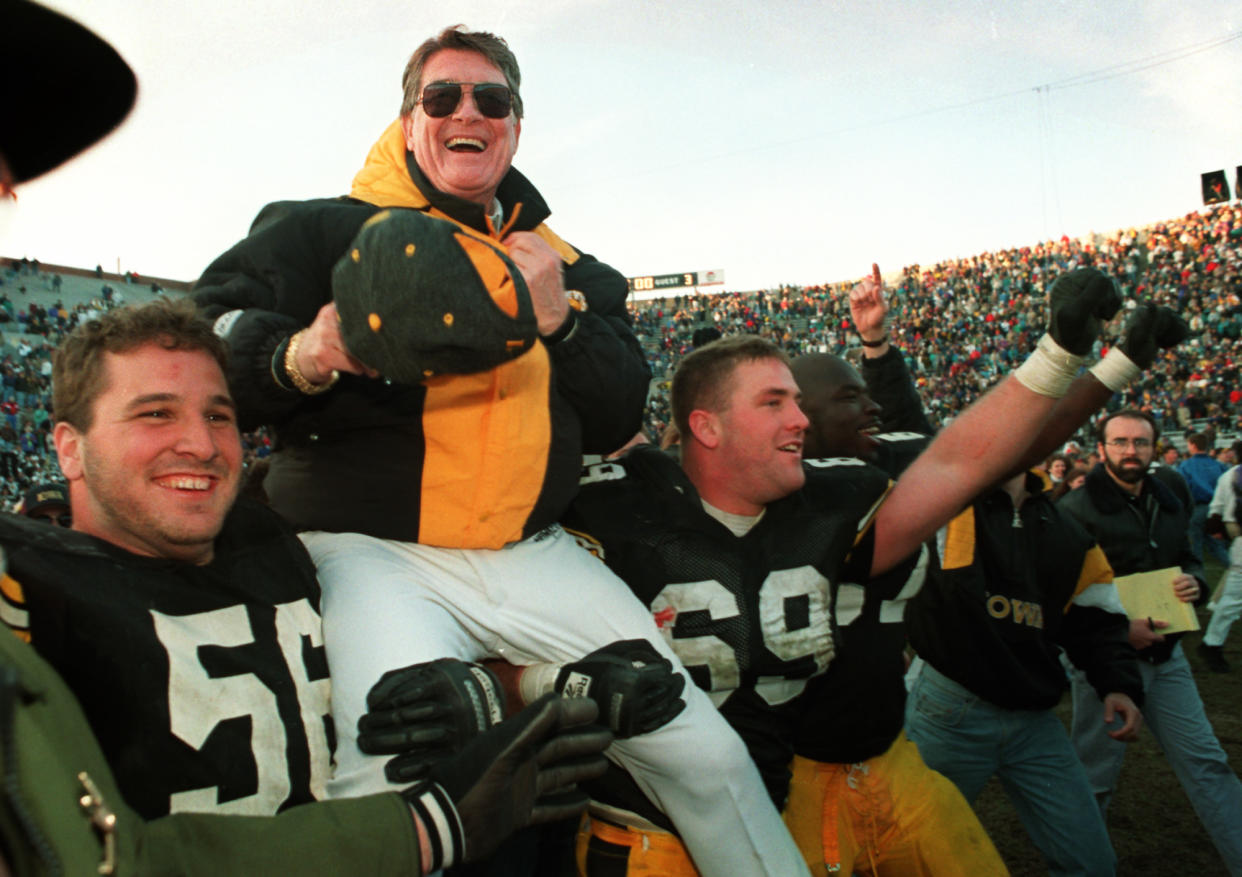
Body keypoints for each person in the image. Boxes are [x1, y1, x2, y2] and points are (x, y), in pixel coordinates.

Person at [0, 6, 611, 874]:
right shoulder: (39, 584)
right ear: (66, 445)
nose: (201, 443)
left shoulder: (284, 546)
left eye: (219, 414)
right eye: (152, 415)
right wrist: (430, 826)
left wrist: (514, 686)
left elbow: (383, 665)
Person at [193, 25, 801, 877]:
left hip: (531, 551)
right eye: (441, 97)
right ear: (408, 123)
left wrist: (563, 319)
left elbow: (621, 402)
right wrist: (304, 353)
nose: (466, 112)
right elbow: (200, 345)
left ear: (516, 126)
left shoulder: (567, 266)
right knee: (392, 773)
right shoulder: (320, 232)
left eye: (491, 99)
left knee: (702, 750)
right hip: (369, 552)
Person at [556, 262, 1135, 876]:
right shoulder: (610, 506)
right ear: (707, 427)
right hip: (653, 829)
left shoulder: (836, 498)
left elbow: (960, 464)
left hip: (779, 797)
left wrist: (1060, 352)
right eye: (773, 403)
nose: (800, 420)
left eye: (798, 403)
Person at [785, 266, 1179, 876]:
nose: (872, 406)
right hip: (838, 734)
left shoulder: (1043, 519)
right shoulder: (775, 488)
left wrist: (1112, 359)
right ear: (794, 418)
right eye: (850, 396)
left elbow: (985, 440)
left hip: (920, 727)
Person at [904, 467, 1142, 877]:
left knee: (1092, 862)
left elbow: (1096, 617)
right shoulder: (943, 502)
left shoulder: (1067, 530)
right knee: (909, 860)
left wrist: (1117, 683)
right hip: (950, 713)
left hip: (1034, 721)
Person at [1058, 410, 1242, 873]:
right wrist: (1121, 631)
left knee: (1208, 763)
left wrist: (1197, 582)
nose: (1130, 451)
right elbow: (1057, 599)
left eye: (1140, 442)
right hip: (1104, 663)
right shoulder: (1075, 511)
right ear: (1100, 450)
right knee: (1095, 779)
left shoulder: (1170, 493)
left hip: (1168, 654)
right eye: (1119, 442)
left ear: (1154, 447)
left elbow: (1186, 556)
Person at [1200, 439, 1242, 672]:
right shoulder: (1232, 476)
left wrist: (1216, 524)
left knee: (1234, 595)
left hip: (1237, 535)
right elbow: (1216, 509)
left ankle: (1212, 643)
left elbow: (1216, 508)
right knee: (1234, 597)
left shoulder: (1230, 475)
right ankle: (1211, 643)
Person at [1177, 432, 1231, 566]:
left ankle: (1198, 576)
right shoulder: (1218, 465)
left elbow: (1182, 489)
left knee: (1195, 546)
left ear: (1193, 446)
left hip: (1199, 507)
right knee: (1216, 545)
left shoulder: (1186, 466)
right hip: (1217, 509)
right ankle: (1233, 568)